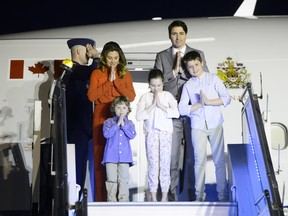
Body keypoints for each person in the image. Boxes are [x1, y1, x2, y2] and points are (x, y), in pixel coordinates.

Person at [154, 20, 209, 201]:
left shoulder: (197, 54)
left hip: (193, 113)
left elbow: (205, 80)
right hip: (171, 114)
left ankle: (195, 197)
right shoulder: (162, 56)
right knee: (172, 157)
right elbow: (157, 84)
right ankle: (171, 198)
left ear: (186, 34)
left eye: (180, 33)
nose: (177, 37)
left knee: (194, 156)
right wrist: (173, 71)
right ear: (169, 35)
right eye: (173, 34)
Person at [178, 50, 231, 202]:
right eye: (190, 67)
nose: (194, 68)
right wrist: (198, 105)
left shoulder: (213, 79)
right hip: (198, 126)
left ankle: (222, 196)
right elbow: (182, 109)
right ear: (187, 69)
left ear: (201, 62)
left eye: (196, 64)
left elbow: (226, 98)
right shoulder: (188, 85)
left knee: (219, 160)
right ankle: (199, 197)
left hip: (215, 124)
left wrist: (208, 102)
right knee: (199, 161)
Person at [87, 41, 136, 202]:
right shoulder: (97, 73)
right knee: (101, 158)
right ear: (104, 58)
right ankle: (103, 201)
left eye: (115, 57)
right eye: (109, 58)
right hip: (101, 115)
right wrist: (108, 81)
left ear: (120, 57)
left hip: (119, 114)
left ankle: (122, 201)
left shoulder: (124, 73)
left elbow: (131, 96)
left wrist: (116, 81)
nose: (113, 61)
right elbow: (92, 96)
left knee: (120, 157)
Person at [63, 38, 100, 201]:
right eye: (88, 49)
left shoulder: (78, 72)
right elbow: (93, 71)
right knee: (76, 168)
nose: (90, 52)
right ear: (79, 51)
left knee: (80, 168)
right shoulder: (72, 70)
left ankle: (76, 200)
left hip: (82, 130)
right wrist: (96, 57)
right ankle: (73, 202)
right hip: (76, 129)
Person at [136, 68, 179, 202]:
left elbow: (176, 113)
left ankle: (165, 197)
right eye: (153, 85)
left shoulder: (168, 96)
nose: (156, 88)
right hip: (151, 133)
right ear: (149, 84)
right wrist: (152, 106)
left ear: (163, 84)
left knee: (165, 165)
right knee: (153, 165)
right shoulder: (145, 97)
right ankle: (153, 197)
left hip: (165, 133)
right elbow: (139, 116)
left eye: (159, 85)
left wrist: (160, 106)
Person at [102, 96, 136, 202]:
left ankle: (123, 201)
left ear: (128, 110)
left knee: (124, 180)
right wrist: (117, 124)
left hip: (125, 157)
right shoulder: (108, 122)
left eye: (124, 108)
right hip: (110, 157)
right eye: (118, 107)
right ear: (114, 108)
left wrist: (124, 125)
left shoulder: (130, 123)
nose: (121, 110)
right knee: (111, 180)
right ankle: (111, 200)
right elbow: (106, 134)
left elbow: (132, 135)